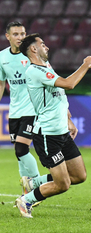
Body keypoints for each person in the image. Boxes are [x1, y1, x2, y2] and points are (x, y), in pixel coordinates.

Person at [14, 33, 91, 218]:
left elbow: (59, 95)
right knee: (63, 184)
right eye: (42, 44)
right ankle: (26, 200)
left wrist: (68, 119)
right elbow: (69, 84)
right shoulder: (35, 71)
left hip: (62, 133)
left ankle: (34, 183)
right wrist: (85, 65)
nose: (47, 47)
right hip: (47, 135)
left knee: (79, 176)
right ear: (33, 49)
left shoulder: (46, 67)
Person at [0, 22, 52, 198]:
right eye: (16, 34)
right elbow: (1, 83)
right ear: (8, 37)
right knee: (20, 152)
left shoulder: (32, 54)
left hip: (33, 108)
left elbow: (50, 75)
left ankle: (35, 186)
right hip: (15, 111)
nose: (20, 37)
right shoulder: (2, 57)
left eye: (22, 34)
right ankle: (26, 187)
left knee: (21, 148)